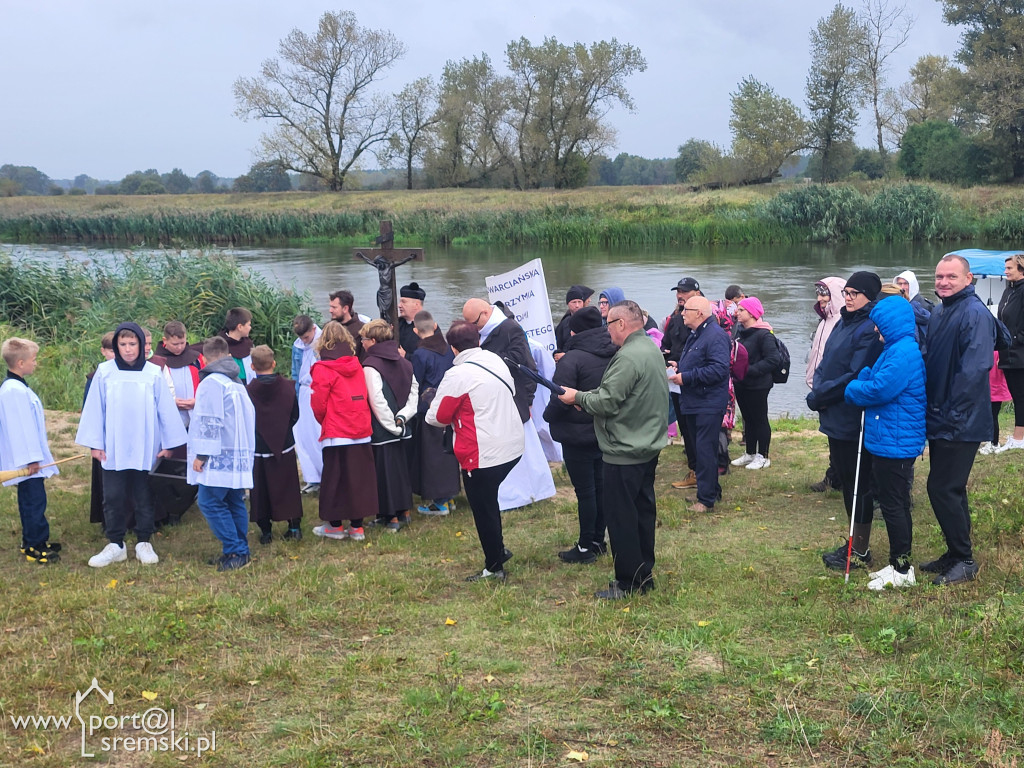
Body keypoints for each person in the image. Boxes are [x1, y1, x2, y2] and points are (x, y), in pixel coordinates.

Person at [557, 300, 669, 599]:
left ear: (621, 324)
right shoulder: (649, 348)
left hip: (625, 450)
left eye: (608, 324)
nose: (606, 331)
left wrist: (577, 397)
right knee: (642, 512)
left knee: (622, 519)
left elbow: (607, 402)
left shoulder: (628, 356)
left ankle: (629, 582)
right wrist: (590, 395)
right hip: (647, 445)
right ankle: (643, 573)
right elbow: (621, 393)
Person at [921, 254, 1005, 585]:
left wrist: (951, 415)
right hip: (941, 413)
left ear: (968, 279)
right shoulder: (941, 310)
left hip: (961, 419)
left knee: (942, 488)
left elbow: (973, 372)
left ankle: (965, 560)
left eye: (951, 277)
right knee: (951, 488)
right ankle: (956, 553)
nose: (943, 282)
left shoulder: (974, 314)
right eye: (939, 276)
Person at [77, 322, 188, 567]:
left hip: (145, 445)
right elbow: (95, 409)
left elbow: (165, 409)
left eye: (132, 344)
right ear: (116, 346)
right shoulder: (105, 372)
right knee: (113, 496)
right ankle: (115, 543)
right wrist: (95, 443)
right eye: (123, 344)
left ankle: (143, 541)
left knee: (143, 494)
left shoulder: (152, 373)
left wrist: (169, 443)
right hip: (113, 447)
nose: (128, 349)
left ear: (141, 345)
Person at [426, 321, 524, 582]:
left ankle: (494, 566)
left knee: (484, 510)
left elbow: (436, 417)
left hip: (482, 453)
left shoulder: (457, 375)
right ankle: (498, 549)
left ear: (453, 349)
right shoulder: (495, 360)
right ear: (478, 341)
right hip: (512, 445)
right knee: (489, 503)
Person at [844, 296, 926, 590]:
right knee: (892, 502)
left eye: (879, 326)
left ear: (890, 325)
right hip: (889, 437)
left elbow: (878, 389)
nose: (876, 332)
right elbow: (873, 376)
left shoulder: (902, 353)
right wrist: (865, 379)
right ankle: (896, 564)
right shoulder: (893, 349)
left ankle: (902, 569)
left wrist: (853, 387)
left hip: (897, 440)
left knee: (894, 505)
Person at [807, 272, 884, 571]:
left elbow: (855, 374)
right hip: (833, 412)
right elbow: (827, 361)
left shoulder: (868, 328)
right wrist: (818, 386)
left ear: (869, 296)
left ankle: (860, 549)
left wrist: (822, 395)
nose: (848, 297)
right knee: (846, 478)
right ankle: (853, 542)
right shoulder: (843, 320)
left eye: (855, 293)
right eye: (847, 292)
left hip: (851, 414)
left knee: (857, 484)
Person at [461, 298, 552, 510]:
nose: (473, 329)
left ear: (485, 313)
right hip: (494, 400)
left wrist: (529, 399)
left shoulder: (511, 329)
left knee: (523, 450)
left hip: (514, 398)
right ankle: (508, 494)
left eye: (474, 323)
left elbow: (527, 367)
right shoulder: (489, 328)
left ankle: (531, 491)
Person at [544, 306, 615, 564]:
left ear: (574, 331)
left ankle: (586, 546)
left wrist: (547, 417)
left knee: (585, 491)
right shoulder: (615, 353)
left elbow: (559, 397)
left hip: (577, 435)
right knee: (601, 488)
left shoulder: (571, 359)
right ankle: (598, 539)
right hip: (606, 432)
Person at [187, 336, 256, 571]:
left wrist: (202, 455)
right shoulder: (236, 382)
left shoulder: (211, 383)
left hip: (218, 454)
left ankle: (235, 549)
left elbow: (210, 420)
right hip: (237, 451)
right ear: (227, 356)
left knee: (209, 502)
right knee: (233, 499)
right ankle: (239, 548)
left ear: (204, 359)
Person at [310, 321, 377, 542]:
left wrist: (325, 420)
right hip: (359, 427)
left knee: (335, 480)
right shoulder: (357, 364)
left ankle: (335, 526)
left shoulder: (322, 369)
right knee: (359, 478)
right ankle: (357, 527)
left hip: (337, 430)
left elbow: (318, 403)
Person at [0, 338, 61, 564]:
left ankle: (35, 540)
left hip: (28, 459)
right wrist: (32, 460)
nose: (36, 364)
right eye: (34, 360)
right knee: (33, 501)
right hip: (27, 461)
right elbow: (21, 430)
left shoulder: (17, 386)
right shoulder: (13, 391)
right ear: (21, 363)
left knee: (33, 499)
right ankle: (34, 545)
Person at [670, 297, 731, 513]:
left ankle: (706, 501)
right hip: (696, 401)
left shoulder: (715, 335)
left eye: (686, 309)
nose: (682, 312)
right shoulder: (698, 333)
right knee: (702, 449)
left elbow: (719, 370)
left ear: (700, 313)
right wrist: (680, 365)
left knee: (705, 450)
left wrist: (686, 377)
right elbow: (702, 360)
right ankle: (711, 490)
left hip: (707, 402)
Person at [360, 319, 418, 532]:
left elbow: (376, 400)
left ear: (373, 341)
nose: (362, 343)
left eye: (364, 339)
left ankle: (390, 517)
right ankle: (405, 511)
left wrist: (391, 425)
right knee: (401, 469)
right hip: (403, 426)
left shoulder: (370, 366)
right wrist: (403, 418)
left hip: (382, 430)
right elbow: (414, 393)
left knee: (384, 473)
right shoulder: (405, 362)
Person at [247, 345, 303, 544]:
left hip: (259, 446)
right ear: (274, 363)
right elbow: (295, 414)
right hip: (284, 443)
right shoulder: (288, 387)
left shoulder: (248, 391)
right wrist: (284, 431)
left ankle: (266, 532)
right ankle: (294, 527)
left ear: (252, 366)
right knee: (288, 485)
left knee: (261, 488)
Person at [410, 310, 461, 515]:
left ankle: (439, 502)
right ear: (435, 325)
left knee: (432, 456)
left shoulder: (420, 354)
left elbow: (416, 382)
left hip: (428, 409)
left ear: (415, 331)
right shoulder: (449, 349)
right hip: (449, 406)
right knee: (448, 452)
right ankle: (449, 498)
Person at [730, 297, 780, 472]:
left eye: (741, 310)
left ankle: (763, 456)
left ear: (752, 313)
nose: (737, 312)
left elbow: (774, 359)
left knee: (759, 419)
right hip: (741, 382)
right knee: (748, 418)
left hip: (758, 384)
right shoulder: (740, 331)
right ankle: (750, 452)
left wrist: (749, 370)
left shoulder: (764, 334)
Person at [806, 277, 846, 493]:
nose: (820, 299)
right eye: (819, 294)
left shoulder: (841, 322)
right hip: (820, 387)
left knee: (839, 437)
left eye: (825, 294)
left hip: (833, 389)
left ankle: (838, 477)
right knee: (831, 436)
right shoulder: (824, 321)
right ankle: (835, 476)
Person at [290, 315, 324, 494]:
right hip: (303, 391)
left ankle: (325, 475)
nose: (304, 341)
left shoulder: (324, 339)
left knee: (317, 434)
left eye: (306, 337)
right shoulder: (297, 346)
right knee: (302, 435)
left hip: (318, 390)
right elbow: (295, 372)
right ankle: (312, 477)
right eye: (301, 338)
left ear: (313, 329)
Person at [995, 253, 1024, 452]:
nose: (1005, 272)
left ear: (1021, 270)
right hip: (1007, 353)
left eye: (1009, 269)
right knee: (1016, 394)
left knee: (1020, 396)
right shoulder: (1008, 291)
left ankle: (1018, 438)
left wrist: (1015, 341)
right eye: (1005, 268)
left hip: (1020, 354)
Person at [155, 321, 204, 428]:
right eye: (175, 344)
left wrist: (198, 401)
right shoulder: (156, 362)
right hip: (168, 417)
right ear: (165, 340)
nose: (179, 347)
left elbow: (206, 383)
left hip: (196, 414)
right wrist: (171, 401)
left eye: (182, 343)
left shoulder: (197, 358)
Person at [980, 352, 1012, 454]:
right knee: (989, 416)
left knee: (992, 417)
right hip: (989, 389)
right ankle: (991, 441)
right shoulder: (991, 352)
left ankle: (993, 443)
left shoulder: (999, 353)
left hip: (996, 390)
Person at [553, 284, 594, 360]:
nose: (577, 305)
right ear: (568, 304)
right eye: (574, 302)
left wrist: (567, 355)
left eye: (579, 302)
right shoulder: (564, 323)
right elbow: (558, 344)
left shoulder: (590, 321)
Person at [894, 270, 934, 340]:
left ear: (912, 285)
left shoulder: (924, 306)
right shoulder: (897, 304)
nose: (902, 287)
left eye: (906, 283)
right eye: (899, 284)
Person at [219, 306, 256, 384]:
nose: (250, 328)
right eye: (249, 325)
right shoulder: (220, 344)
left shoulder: (248, 344)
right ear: (240, 327)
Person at [328, 290, 365, 357]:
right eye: (330, 307)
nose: (330, 310)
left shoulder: (362, 331)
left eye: (334, 307)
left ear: (345, 308)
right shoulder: (328, 328)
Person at [397, 282, 426, 357]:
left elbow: (430, 358)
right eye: (400, 302)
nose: (399, 305)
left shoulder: (429, 327)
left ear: (416, 305)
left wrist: (406, 356)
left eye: (403, 302)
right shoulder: (397, 323)